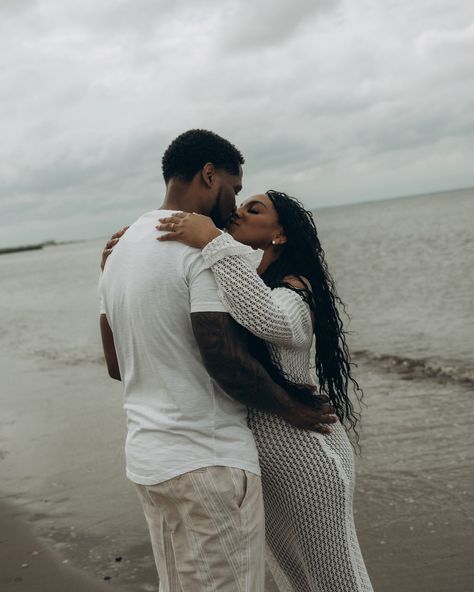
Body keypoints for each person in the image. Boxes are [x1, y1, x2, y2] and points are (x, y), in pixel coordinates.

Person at [98, 130, 337, 592]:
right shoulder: (197, 249)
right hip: (207, 462)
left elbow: (115, 365)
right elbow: (223, 359)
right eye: (236, 187)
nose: (235, 202)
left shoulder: (119, 250)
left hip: (149, 461)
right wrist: (290, 406)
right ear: (209, 175)